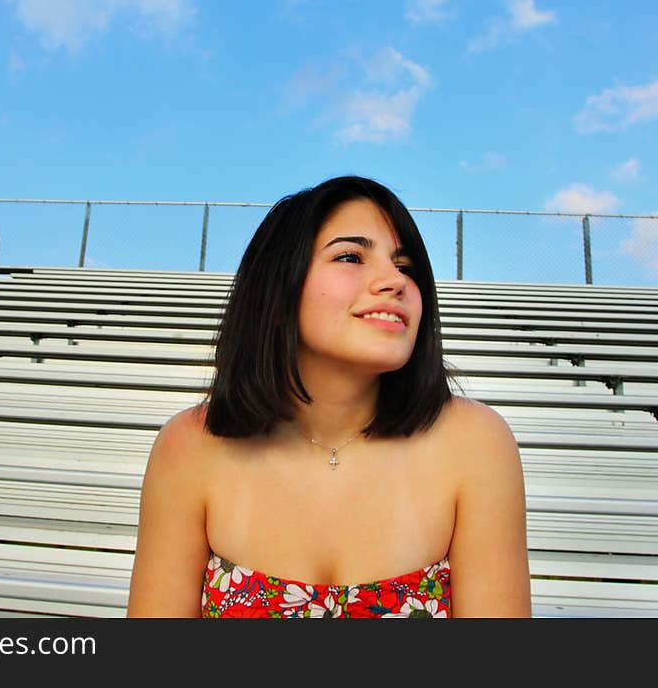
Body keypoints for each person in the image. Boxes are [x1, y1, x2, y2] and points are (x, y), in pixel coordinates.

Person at [126, 175, 531, 618]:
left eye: (406, 266)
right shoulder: (190, 447)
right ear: (279, 294)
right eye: (350, 256)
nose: (394, 281)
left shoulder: (475, 443)